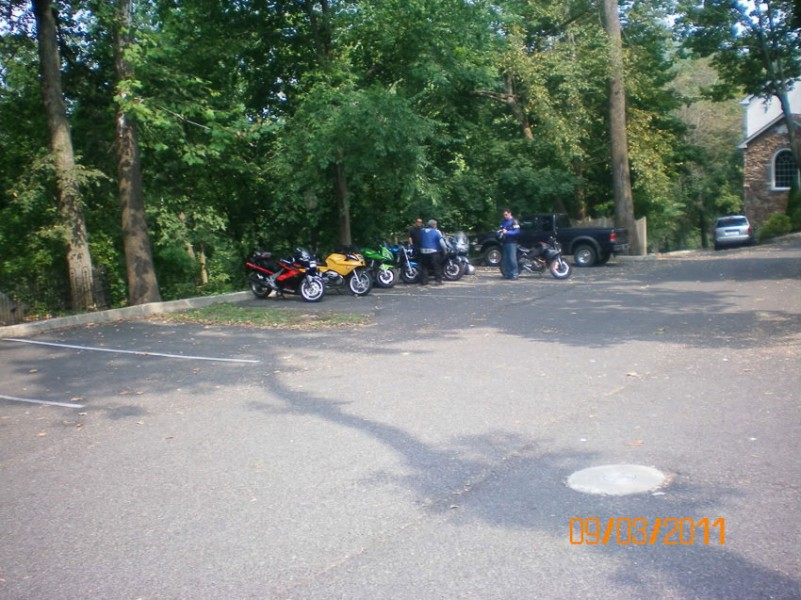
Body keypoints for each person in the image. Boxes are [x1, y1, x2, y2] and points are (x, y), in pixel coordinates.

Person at [418, 219, 444, 285]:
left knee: (424, 266)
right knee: (437, 266)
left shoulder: (422, 231)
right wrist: (445, 249)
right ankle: (438, 280)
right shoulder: (436, 231)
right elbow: (442, 242)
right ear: (434, 225)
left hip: (423, 251)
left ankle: (424, 281)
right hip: (433, 251)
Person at [498, 208, 520, 279]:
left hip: (512, 242)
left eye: (506, 214)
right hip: (505, 242)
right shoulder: (503, 221)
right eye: (504, 215)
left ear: (510, 213)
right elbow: (500, 229)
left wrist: (507, 232)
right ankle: (507, 274)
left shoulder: (514, 221)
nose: (505, 216)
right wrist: (499, 232)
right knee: (506, 259)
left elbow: (517, 231)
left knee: (512, 259)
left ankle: (514, 274)